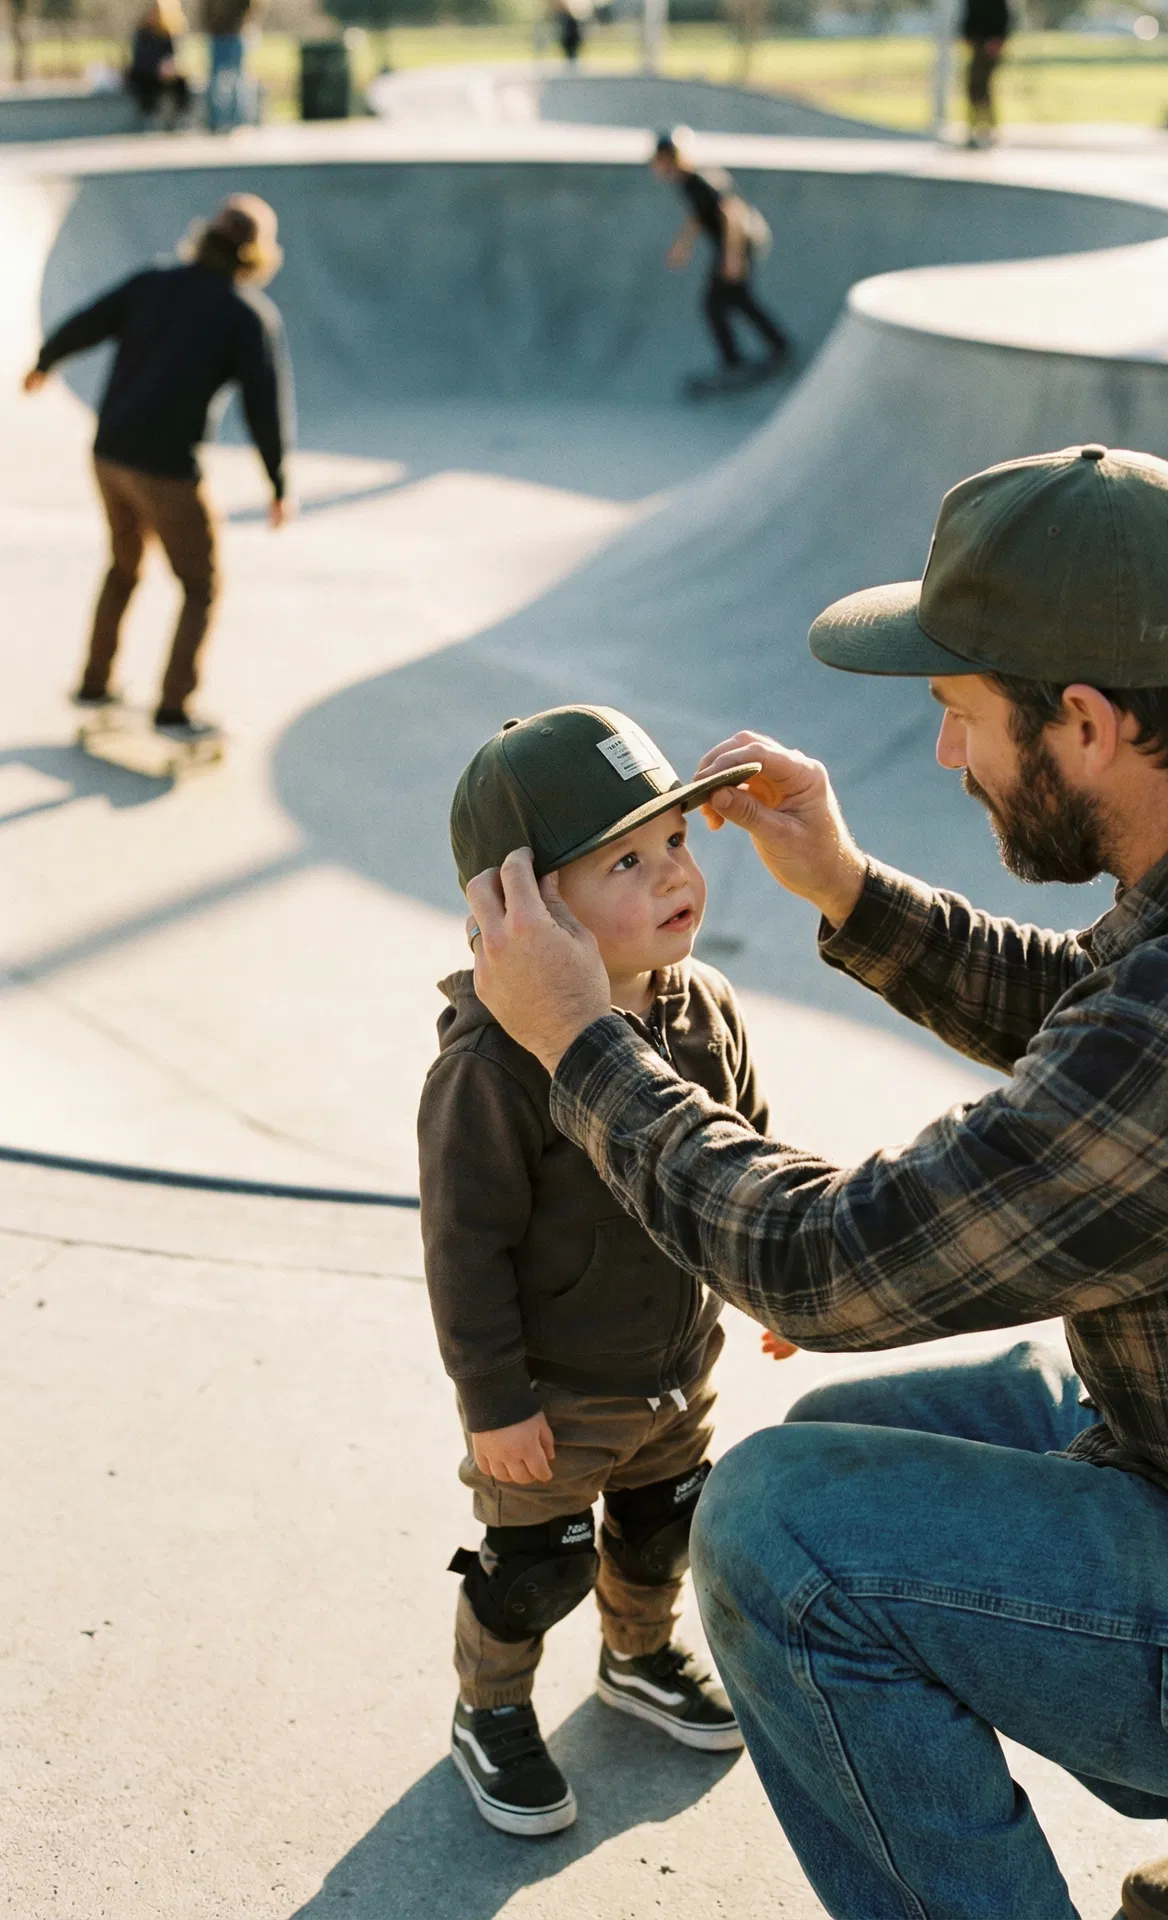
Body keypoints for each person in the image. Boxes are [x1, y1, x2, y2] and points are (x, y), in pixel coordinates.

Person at [461, 444, 1168, 1920]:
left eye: (960, 717)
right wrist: (849, 889)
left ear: (1088, 723)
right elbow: (1105, 1024)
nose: (944, 760)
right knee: (864, 1434)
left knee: (781, 1526)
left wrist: (580, 1041)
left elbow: (820, 1266)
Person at [422, 704, 796, 1838]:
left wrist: (774, 1276)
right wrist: (495, 1407)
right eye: (625, 861)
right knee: (534, 1565)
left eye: (674, 843)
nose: (672, 874)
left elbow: (747, 1147)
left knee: (659, 1526)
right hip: (553, 1394)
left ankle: (636, 1658)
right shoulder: (493, 1066)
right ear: (526, 907)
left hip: (677, 1365)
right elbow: (463, 1248)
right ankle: (489, 1710)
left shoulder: (704, 1005)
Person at [22, 195, 291, 742]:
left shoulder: (153, 281)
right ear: (255, 257)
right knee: (201, 583)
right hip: (167, 470)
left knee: (124, 566)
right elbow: (264, 406)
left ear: (203, 238)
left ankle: (94, 683)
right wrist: (278, 483)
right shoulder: (248, 316)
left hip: (109, 455)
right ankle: (173, 708)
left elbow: (86, 323)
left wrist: (44, 363)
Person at [651, 128, 791, 392]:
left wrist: (732, 256)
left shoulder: (699, 180)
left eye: (658, 161)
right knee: (735, 298)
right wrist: (683, 246)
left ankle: (738, 360)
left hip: (740, 240)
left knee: (714, 302)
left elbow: (732, 212)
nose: (655, 167)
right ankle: (778, 347)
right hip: (740, 241)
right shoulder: (687, 181)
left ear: (669, 158)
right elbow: (697, 215)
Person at [127, 0, 191, 129]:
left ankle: (180, 115)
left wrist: (170, 67)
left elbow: (171, 55)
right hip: (146, 71)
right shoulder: (142, 33)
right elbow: (139, 58)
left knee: (181, 82)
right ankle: (149, 116)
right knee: (146, 83)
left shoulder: (165, 33)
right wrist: (157, 68)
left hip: (164, 73)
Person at [200, 0, 255, 133]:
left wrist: (241, 23)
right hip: (217, 35)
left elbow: (249, 6)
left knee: (237, 79)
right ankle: (217, 122)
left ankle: (238, 122)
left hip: (234, 34)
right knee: (216, 80)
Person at [961, 0, 1009, 149]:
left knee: (982, 86)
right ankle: (975, 127)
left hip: (990, 42)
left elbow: (1002, 15)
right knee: (974, 86)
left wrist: (998, 38)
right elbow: (969, 15)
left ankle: (988, 129)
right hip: (977, 42)